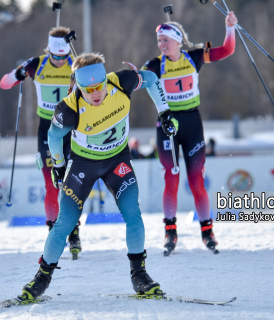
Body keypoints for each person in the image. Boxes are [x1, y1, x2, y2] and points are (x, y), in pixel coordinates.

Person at [18, 52, 178, 301]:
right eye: (88, 89)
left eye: (99, 87)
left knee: (133, 216)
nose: (95, 94)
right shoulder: (69, 108)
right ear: (78, 85)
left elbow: (150, 78)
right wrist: (59, 166)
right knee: (64, 223)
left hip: (118, 161)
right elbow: (53, 137)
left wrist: (165, 112)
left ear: (106, 79)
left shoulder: (121, 82)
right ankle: (41, 278)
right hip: (84, 164)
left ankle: (139, 275)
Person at [142, 12, 238, 254]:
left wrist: (229, 28)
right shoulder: (156, 65)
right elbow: (139, 79)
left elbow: (226, 50)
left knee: (197, 182)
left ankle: (207, 231)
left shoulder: (194, 57)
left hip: (193, 123)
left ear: (177, 40)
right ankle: (170, 232)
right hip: (168, 126)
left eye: (165, 40)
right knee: (171, 179)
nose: (161, 45)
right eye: (159, 41)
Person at [0, 27, 82, 258]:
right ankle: (53, 233)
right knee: (51, 184)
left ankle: (74, 232)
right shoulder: (36, 64)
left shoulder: (76, 64)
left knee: (71, 185)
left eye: (63, 57)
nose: (59, 61)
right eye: (55, 57)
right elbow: (4, 83)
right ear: (49, 51)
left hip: (72, 130)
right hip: (47, 130)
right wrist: (17, 75)